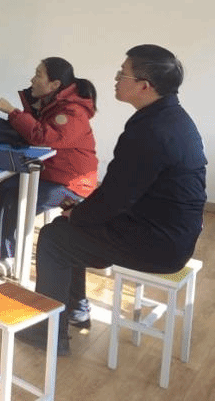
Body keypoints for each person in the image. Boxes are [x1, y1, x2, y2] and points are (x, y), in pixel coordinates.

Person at [17, 44, 206, 356]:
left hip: (159, 243)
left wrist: (78, 215)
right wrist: (81, 213)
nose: (116, 79)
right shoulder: (174, 118)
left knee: (54, 238)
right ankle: (75, 309)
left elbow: (116, 197)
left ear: (145, 86)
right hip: (173, 232)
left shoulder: (150, 130)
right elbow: (123, 193)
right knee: (69, 229)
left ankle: (48, 335)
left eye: (123, 74)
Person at [0, 57, 98, 293]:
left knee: (17, 200)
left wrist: (13, 112)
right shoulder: (53, 103)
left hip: (72, 183)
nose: (32, 79)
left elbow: (42, 136)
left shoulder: (73, 112)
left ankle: (7, 255)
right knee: (2, 190)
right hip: (48, 173)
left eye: (39, 75)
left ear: (55, 84)